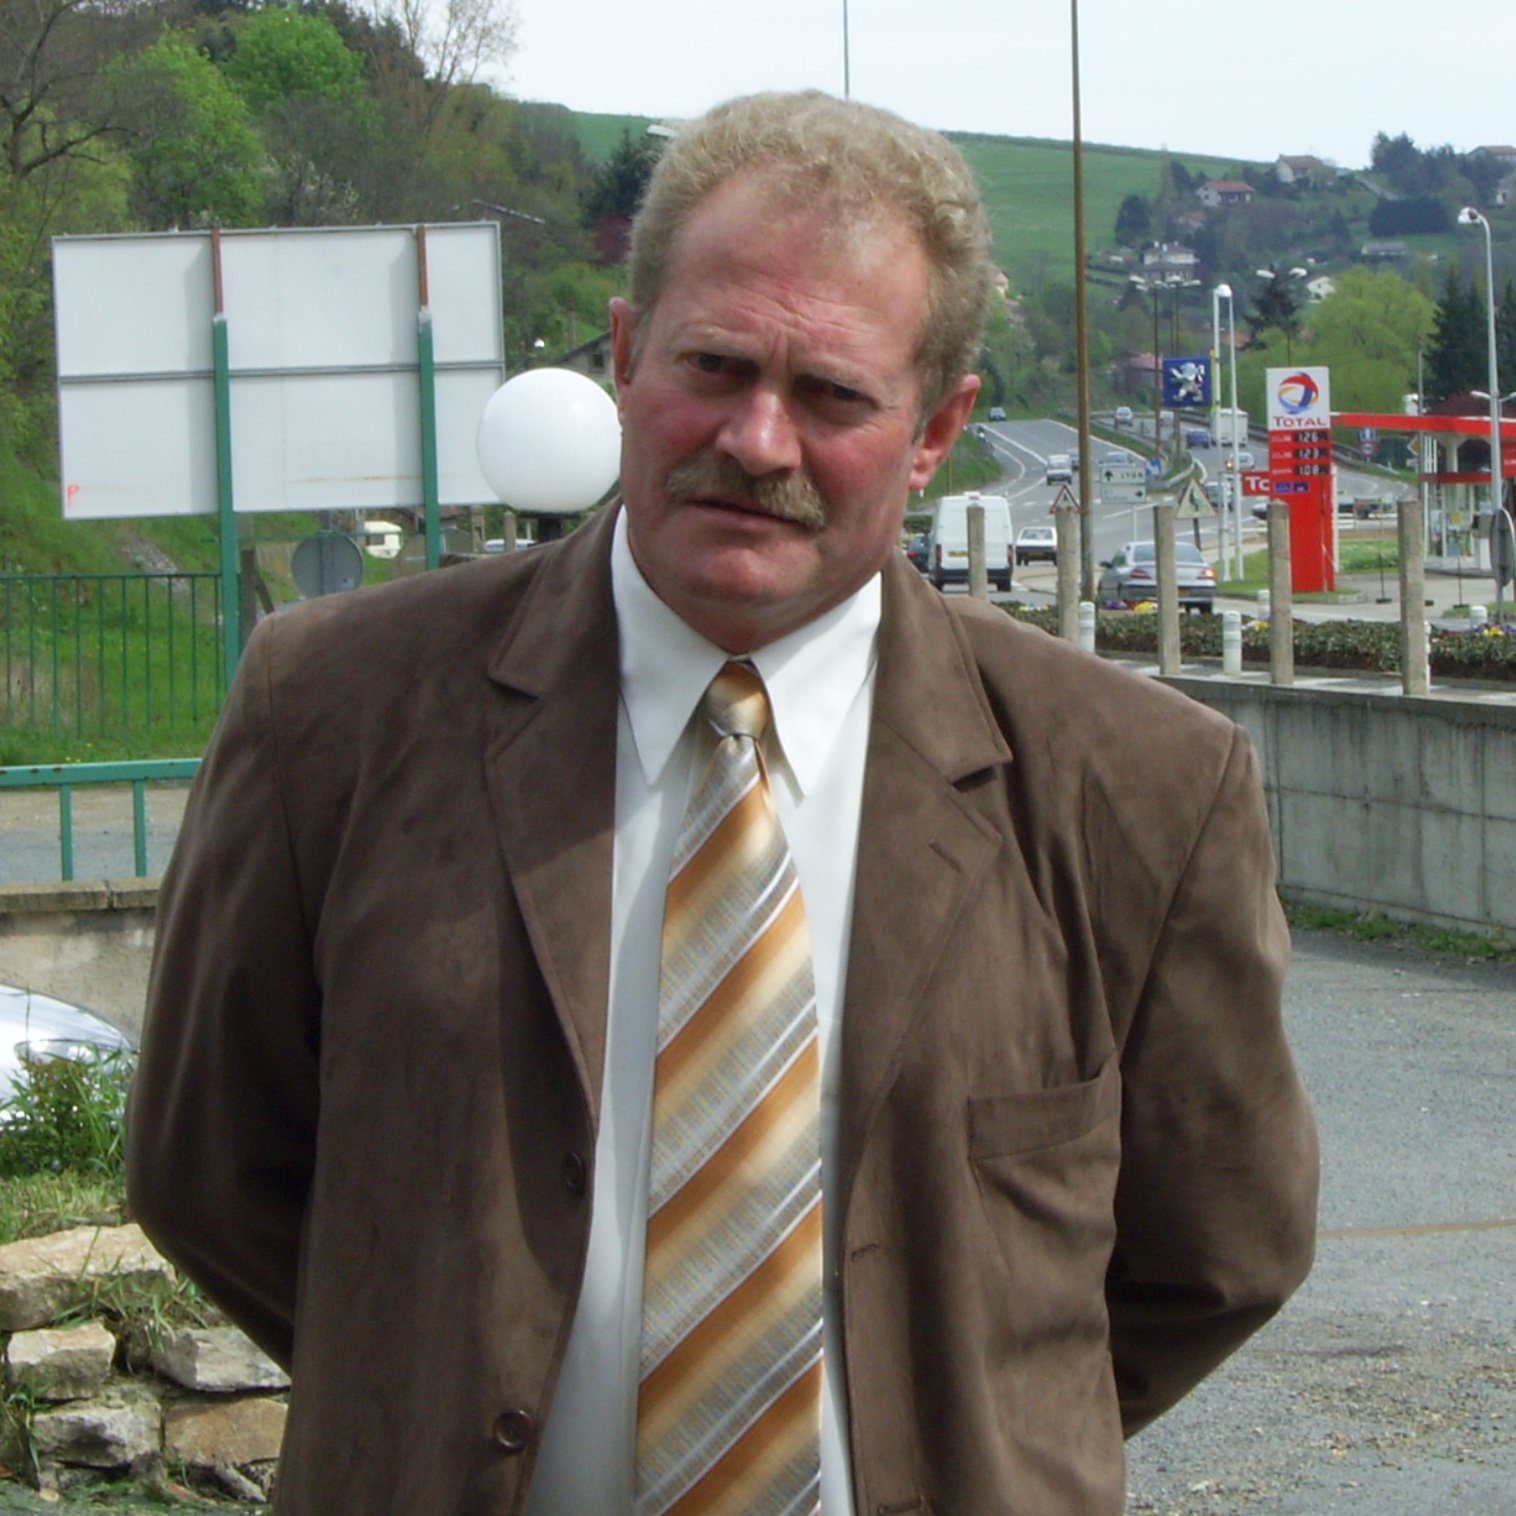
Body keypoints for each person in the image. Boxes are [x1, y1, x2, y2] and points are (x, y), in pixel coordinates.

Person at [127, 91, 1318, 1516]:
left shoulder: (1137, 785)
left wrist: (970, 1425)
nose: (756, 440)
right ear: (628, 356)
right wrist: (430, 1384)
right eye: (714, 364)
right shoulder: (332, 711)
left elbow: (1220, 1249)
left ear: (936, 430)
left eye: (833, 396)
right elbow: (209, 1173)